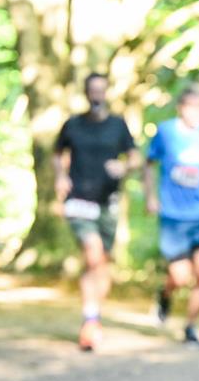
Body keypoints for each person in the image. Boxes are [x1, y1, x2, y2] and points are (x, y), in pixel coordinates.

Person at [53, 73, 141, 352]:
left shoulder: (117, 125)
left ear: (106, 93)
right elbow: (57, 153)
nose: (96, 95)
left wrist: (124, 167)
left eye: (101, 90)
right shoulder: (73, 124)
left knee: (102, 264)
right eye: (92, 90)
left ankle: (94, 315)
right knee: (92, 254)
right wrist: (60, 177)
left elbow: (135, 157)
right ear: (86, 92)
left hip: (108, 202)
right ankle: (89, 322)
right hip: (79, 200)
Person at [143, 86, 199, 346]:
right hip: (173, 216)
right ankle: (165, 295)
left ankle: (190, 327)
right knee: (180, 276)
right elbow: (148, 163)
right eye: (191, 107)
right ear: (181, 108)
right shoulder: (166, 131)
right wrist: (150, 197)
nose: (196, 113)